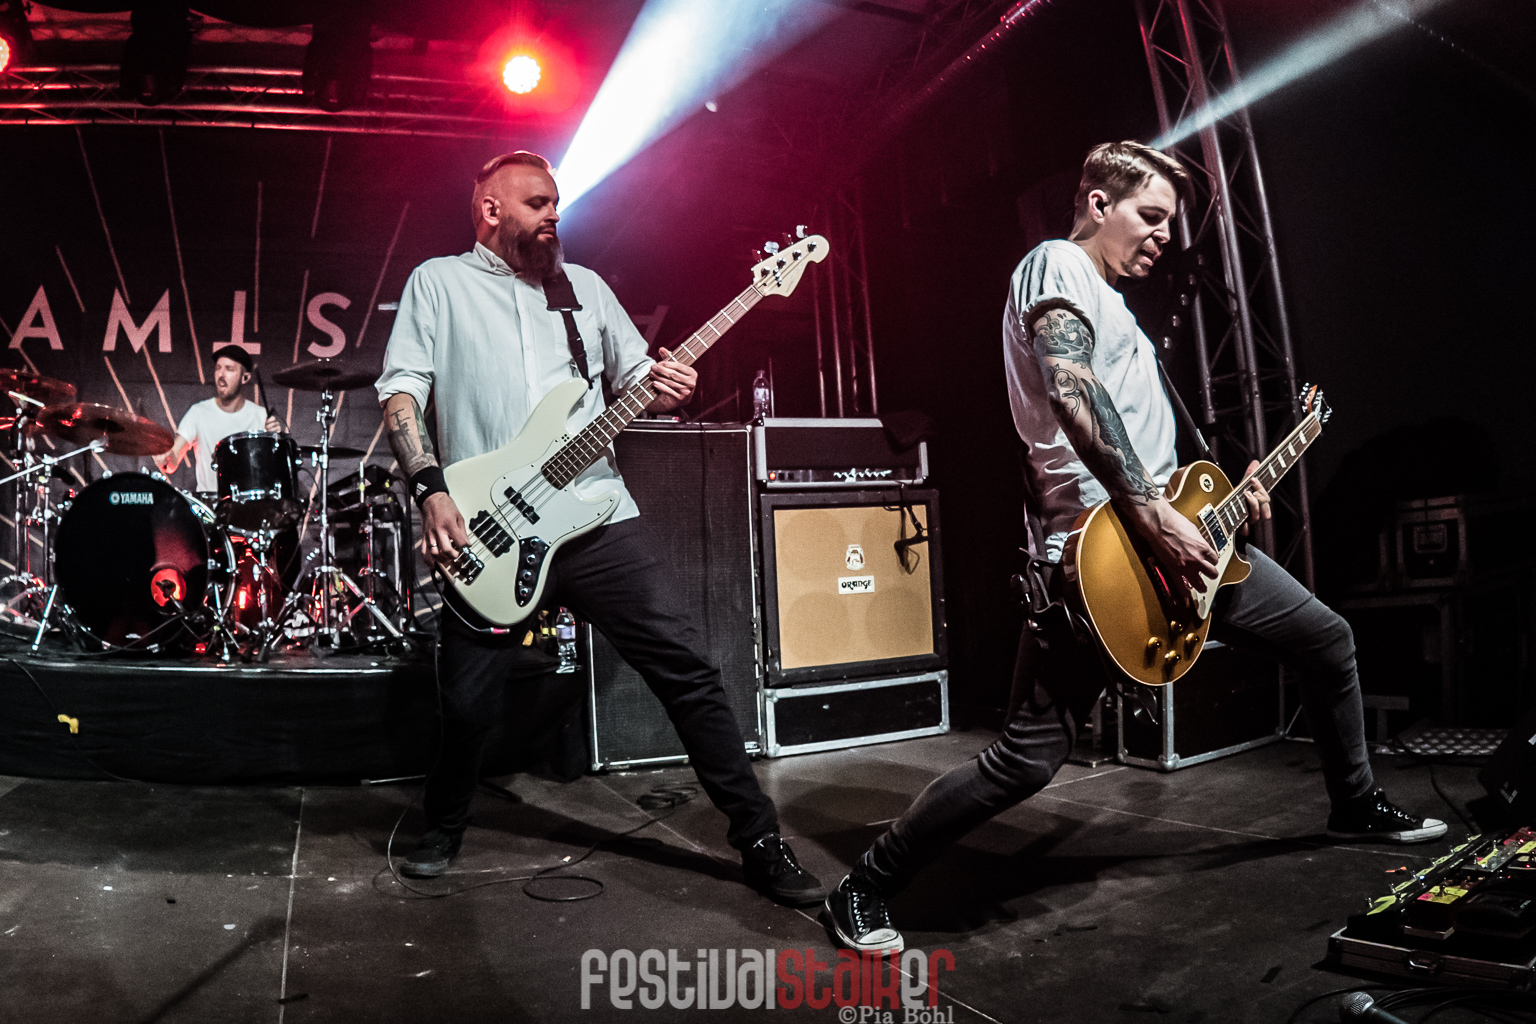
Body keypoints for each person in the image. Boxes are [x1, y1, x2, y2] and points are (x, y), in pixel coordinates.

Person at [822, 141, 1447, 953]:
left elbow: (1153, 453)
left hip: (1177, 544)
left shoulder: (1120, 311)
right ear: (1096, 203)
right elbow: (1071, 390)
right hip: (1101, 560)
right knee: (1025, 760)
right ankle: (865, 884)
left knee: (1327, 640)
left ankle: (1355, 804)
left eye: (1169, 222)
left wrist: (1221, 504)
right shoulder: (1057, 265)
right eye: (1150, 215)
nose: (1163, 236)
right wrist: (1152, 514)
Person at [374, 151, 825, 905]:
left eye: (557, 203)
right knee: (469, 701)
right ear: (490, 209)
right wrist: (430, 489)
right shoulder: (439, 283)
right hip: (490, 526)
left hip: (595, 510)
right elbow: (402, 391)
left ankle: (759, 840)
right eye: (538, 203)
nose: (554, 214)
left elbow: (636, 380)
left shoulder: (584, 289)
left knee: (688, 669)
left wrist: (669, 387)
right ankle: (444, 824)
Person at [155, 344, 281, 490]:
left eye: (229, 369)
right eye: (218, 368)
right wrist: (166, 458)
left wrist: (274, 439)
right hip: (209, 502)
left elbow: (272, 470)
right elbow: (173, 461)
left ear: (245, 378)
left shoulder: (260, 415)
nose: (221, 374)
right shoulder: (198, 412)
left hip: (250, 500)